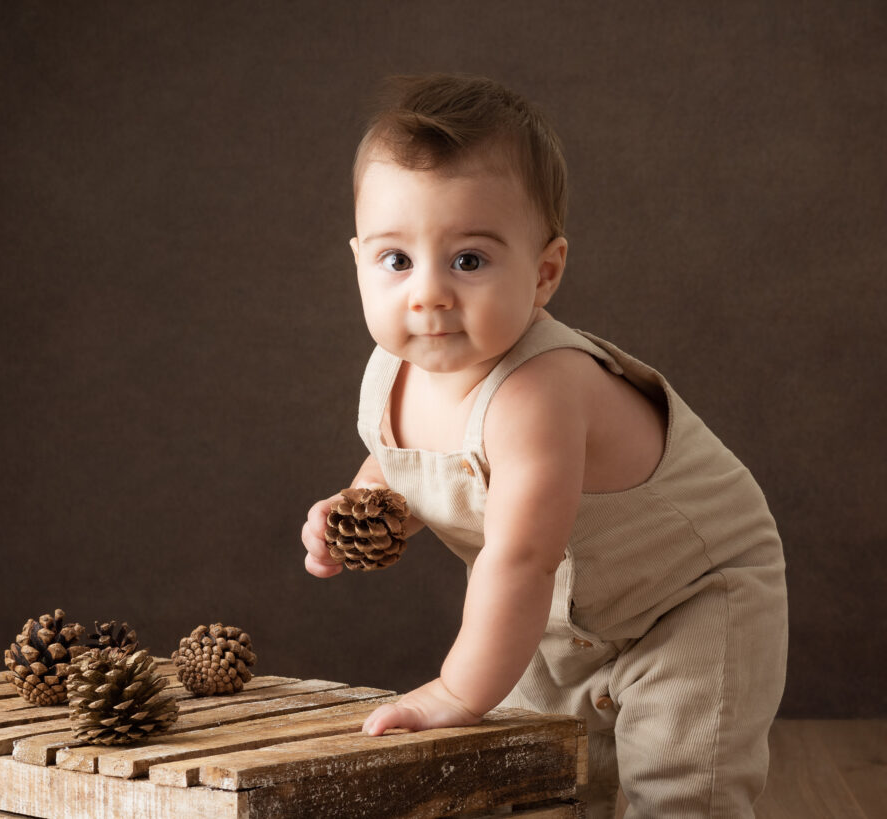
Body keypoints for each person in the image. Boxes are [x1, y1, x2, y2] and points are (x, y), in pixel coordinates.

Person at [300, 73, 788, 818]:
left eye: (468, 259)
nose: (427, 294)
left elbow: (521, 555)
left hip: (690, 596)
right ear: (360, 260)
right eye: (397, 260)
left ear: (544, 274)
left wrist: (459, 691)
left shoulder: (539, 392)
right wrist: (364, 507)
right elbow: (407, 465)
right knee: (543, 773)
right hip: (563, 614)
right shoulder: (393, 369)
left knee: (680, 782)